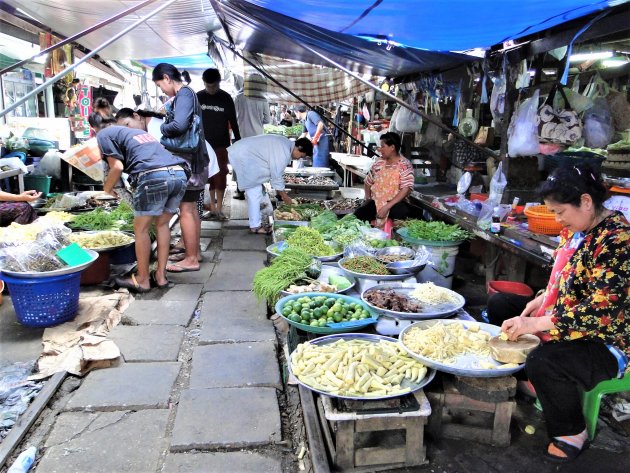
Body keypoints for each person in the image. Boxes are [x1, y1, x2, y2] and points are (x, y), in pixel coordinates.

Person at [499, 164, 629, 462]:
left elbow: (600, 310)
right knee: (502, 306)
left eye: (560, 211)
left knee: (544, 360)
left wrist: (538, 321)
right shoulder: (576, 229)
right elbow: (563, 276)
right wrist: (541, 299)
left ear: (585, 201)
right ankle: (535, 382)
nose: (557, 220)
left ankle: (572, 431)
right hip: (565, 318)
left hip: (608, 339)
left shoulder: (618, 241)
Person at [88, 112, 189, 292]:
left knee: (140, 229)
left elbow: (117, 167)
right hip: (178, 173)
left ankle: (142, 279)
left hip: (154, 176)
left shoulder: (103, 134)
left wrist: (107, 188)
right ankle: (161, 276)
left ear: (94, 129)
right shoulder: (135, 133)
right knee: (162, 225)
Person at [153, 63, 209, 273]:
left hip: (190, 163)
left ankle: (191, 258)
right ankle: (194, 254)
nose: (162, 90)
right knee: (191, 209)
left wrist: (162, 127)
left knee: (185, 210)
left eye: (160, 85)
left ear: (167, 78)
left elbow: (179, 126)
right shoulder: (188, 94)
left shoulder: (184, 94)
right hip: (196, 161)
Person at [227, 136, 312, 234]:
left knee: (257, 190)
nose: (298, 159)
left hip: (244, 153)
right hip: (243, 154)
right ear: (299, 147)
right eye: (301, 156)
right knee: (254, 192)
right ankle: (255, 227)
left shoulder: (285, 145)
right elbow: (276, 176)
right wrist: (284, 196)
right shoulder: (283, 151)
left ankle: (257, 222)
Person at [197, 68, 241, 214]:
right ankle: (212, 206)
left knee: (221, 174)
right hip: (202, 144)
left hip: (221, 144)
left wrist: (238, 141)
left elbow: (233, 121)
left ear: (219, 83)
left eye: (214, 86)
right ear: (204, 83)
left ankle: (219, 207)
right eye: (208, 86)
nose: (211, 89)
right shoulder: (198, 97)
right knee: (207, 175)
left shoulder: (226, 98)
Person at [354, 132, 414, 227]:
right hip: (376, 201)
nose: (380, 150)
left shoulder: (405, 165)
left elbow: (406, 189)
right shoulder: (378, 163)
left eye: (382, 146)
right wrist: (368, 199)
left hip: (395, 203)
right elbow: (367, 182)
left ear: (392, 147)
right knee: (358, 216)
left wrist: (386, 207)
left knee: (400, 215)